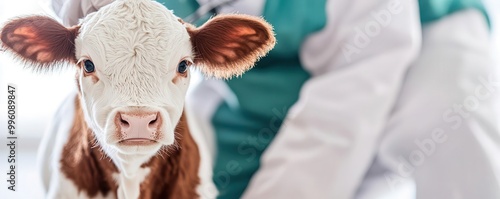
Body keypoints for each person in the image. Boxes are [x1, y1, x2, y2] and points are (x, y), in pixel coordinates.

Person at [47, 0, 500, 198]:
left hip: (421, 34)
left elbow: (343, 111)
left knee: (449, 122)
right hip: (264, 70)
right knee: (204, 180)